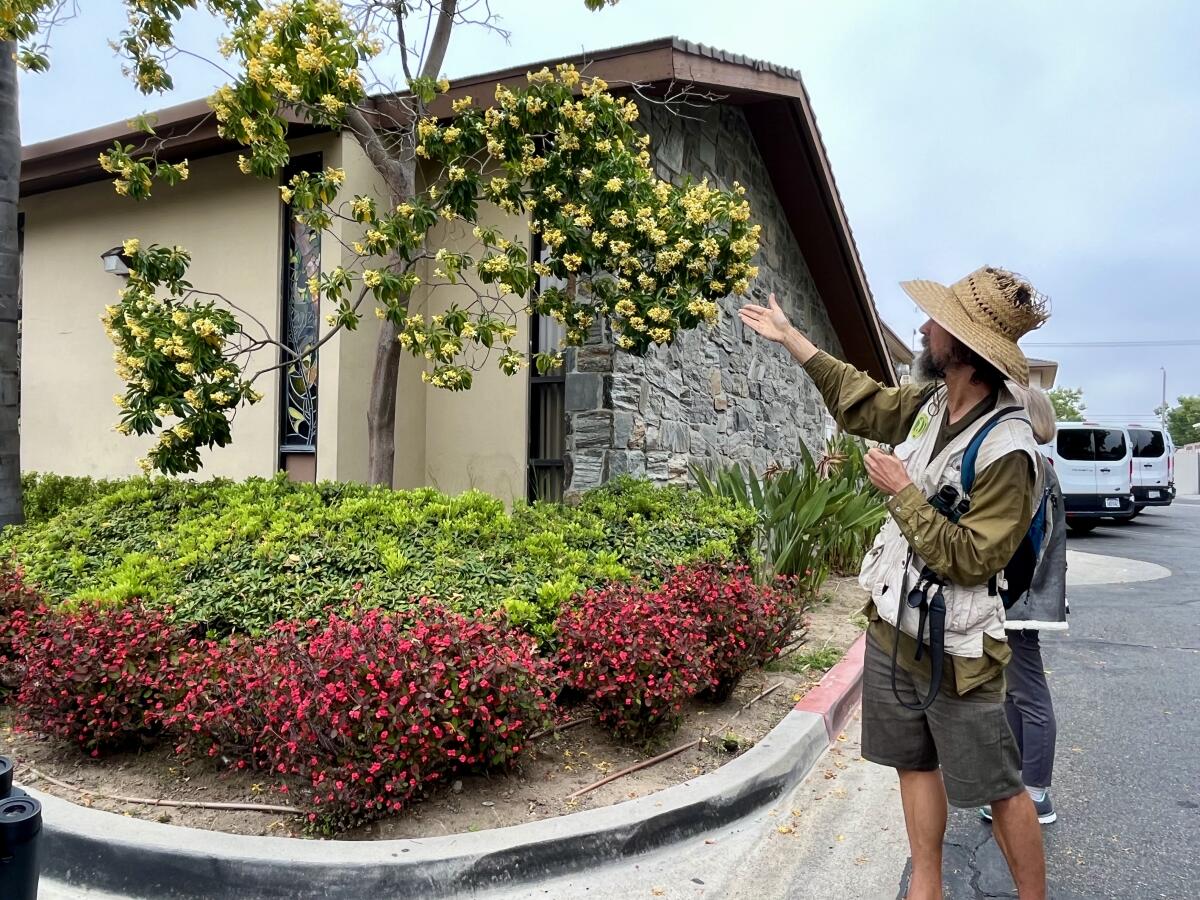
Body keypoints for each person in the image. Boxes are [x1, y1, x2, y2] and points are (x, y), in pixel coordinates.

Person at [740, 266, 1051, 900]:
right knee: (914, 760)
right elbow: (867, 402)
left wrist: (903, 493)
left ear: (960, 350)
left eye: (935, 324)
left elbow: (973, 560)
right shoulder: (935, 403)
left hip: (959, 652)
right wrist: (791, 337)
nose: (923, 328)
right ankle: (926, 888)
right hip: (895, 626)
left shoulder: (1010, 451)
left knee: (999, 786)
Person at [983, 394, 1068, 826]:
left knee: (1029, 696)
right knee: (1015, 694)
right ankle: (1020, 784)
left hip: (1016, 600)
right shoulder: (1040, 467)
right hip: (1024, 599)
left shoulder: (1027, 466)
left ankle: (1035, 793)